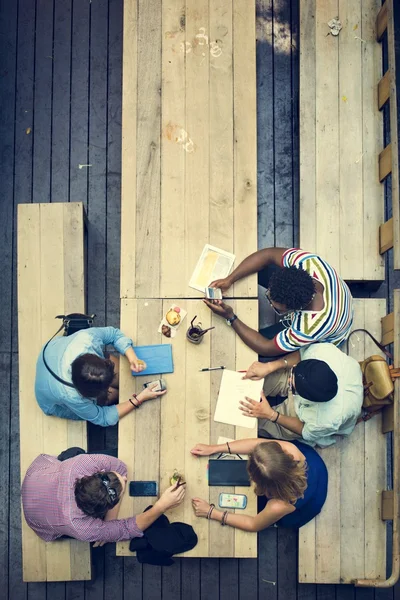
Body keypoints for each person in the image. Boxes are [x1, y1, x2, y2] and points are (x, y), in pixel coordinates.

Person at [204, 247, 353, 357]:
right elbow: (268, 254)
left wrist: (231, 317)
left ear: (296, 309)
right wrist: (229, 279)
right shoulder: (307, 263)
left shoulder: (307, 328)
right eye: (269, 295)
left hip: (334, 333)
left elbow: (266, 348)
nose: (268, 301)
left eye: (276, 308)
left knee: (260, 354)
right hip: (339, 295)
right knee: (263, 267)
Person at [21, 452, 185, 544]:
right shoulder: (81, 527)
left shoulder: (81, 464)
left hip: (37, 478)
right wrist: (161, 506)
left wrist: (105, 529)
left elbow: (120, 467)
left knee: (75, 451)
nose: (124, 478)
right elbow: (126, 530)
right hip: (39, 521)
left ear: (97, 475)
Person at [239, 342, 363, 447]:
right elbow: (301, 354)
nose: (288, 381)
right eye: (292, 374)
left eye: (292, 387)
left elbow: (303, 430)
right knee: (257, 380)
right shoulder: (322, 352)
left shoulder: (326, 420)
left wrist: (272, 415)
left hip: (310, 415)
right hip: (304, 380)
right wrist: (270, 366)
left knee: (256, 421)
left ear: (308, 399)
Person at [35, 326, 164, 427]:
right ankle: (116, 394)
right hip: (54, 401)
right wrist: (138, 399)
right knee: (116, 393)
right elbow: (103, 417)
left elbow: (114, 334)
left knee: (122, 379)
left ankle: (115, 391)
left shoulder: (86, 339)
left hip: (52, 355)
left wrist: (132, 357)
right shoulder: (72, 396)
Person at [191, 438, 327, 530]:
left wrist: (212, 512)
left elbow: (253, 524)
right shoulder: (289, 450)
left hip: (310, 502)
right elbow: (257, 444)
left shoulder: (279, 505)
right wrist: (215, 448)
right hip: (316, 467)